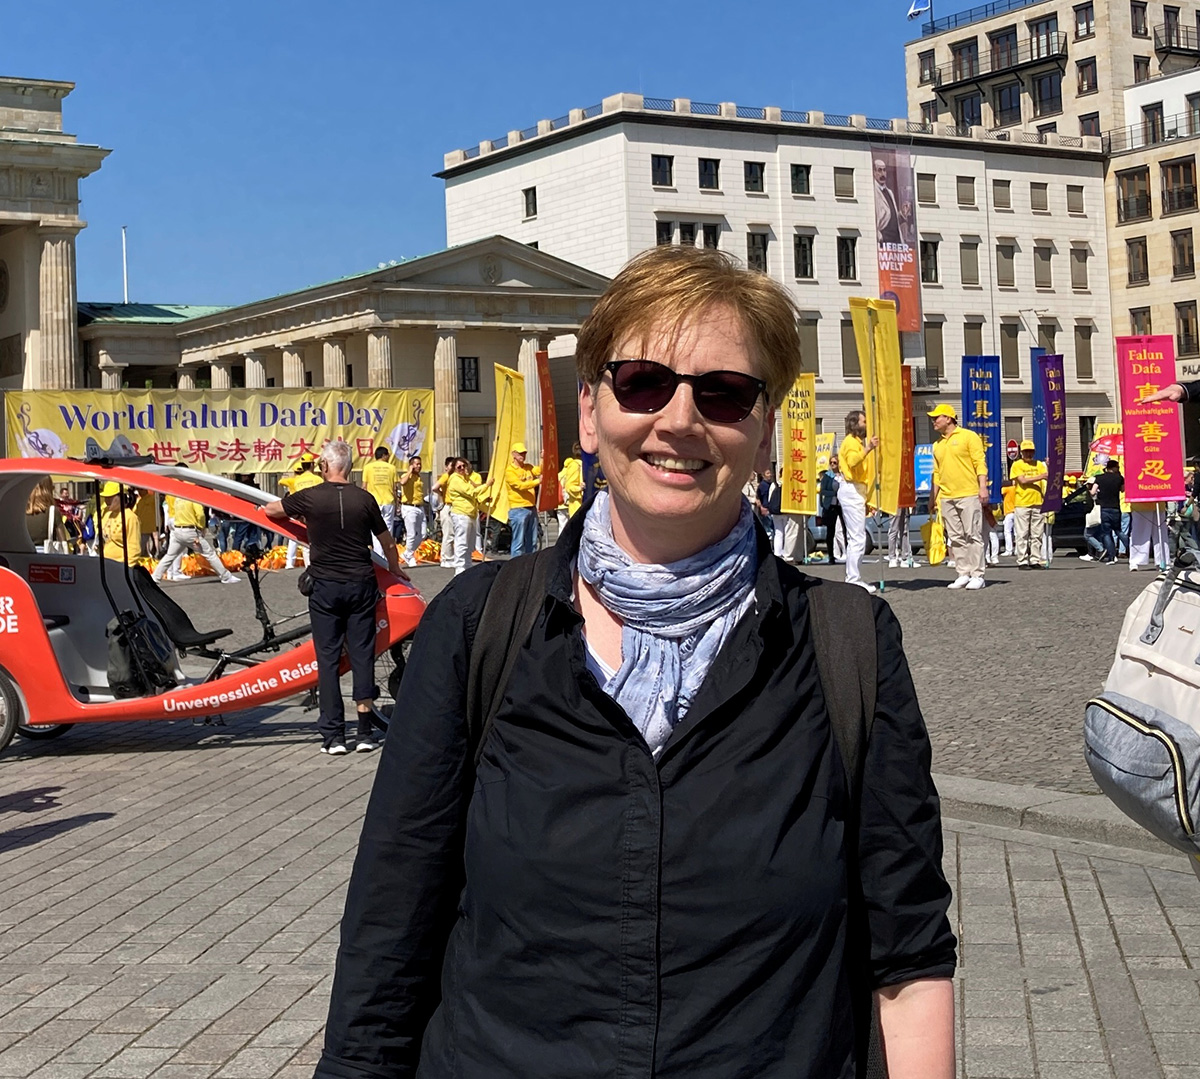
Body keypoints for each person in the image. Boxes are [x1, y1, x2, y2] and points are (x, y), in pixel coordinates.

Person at [317, 244, 956, 1079]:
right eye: (643, 382)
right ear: (589, 411)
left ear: (764, 428)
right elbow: (389, 931)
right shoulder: (479, 626)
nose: (680, 419)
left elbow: (908, 953)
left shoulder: (848, 644)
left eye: (724, 393)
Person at [266, 441, 402, 755]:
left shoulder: (310, 496)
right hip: (360, 585)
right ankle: (365, 732)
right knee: (362, 655)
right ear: (350, 467)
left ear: (325, 466)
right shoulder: (364, 499)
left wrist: (301, 520)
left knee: (327, 659)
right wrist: (395, 569)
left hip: (325, 586)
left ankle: (334, 736)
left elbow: (271, 510)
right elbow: (387, 542)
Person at [928, 403, 988, 590]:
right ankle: (963, 573)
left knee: (973, 534)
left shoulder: (968, 436)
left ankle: (978, 574)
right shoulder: (937, 445)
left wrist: (983, 487)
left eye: (936, 417)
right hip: (946, 497)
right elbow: (936, 473)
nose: (933, 421)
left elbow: (979, 462)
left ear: (948, 418)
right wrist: (932, 497)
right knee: (955, 537)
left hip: (968, 493)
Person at [152, 465, 240, 584]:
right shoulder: (192, 498)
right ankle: (225, 576)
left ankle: (155, 577)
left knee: (170, 556)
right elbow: (200, 515)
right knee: (209, 554)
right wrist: (201, 528)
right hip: (190, 532)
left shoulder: (179, 497)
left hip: (178, 530)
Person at [838, 410, 880, 593]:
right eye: (864, 421)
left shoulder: (855, 442)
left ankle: (853, 576)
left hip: (856, 489)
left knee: (855, 536)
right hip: (852, 488)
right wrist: (868, 448)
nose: (866, 424)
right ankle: (853, 578)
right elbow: (853, 461)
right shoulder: (850, 442)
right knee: (857, 537)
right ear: (855, 424)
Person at [1005, 440, 1048, 569]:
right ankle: (1022, 560)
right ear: (1021, 453)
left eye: (1030, 451)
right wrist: (1041, 476)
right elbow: (1022, 480)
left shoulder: (1039, 464)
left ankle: (1035, 559)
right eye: (1026, 451)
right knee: (1022, 534)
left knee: (1037, 534)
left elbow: (1047, 478)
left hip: (1038, 502)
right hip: (1022, 503)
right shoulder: (1017, 465)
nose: (1028, 454)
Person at [442, 458, 489, 575]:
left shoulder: (465, 479)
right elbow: (471, 492)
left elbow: (474, 494)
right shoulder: (455, 479)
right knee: (462, 542)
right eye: (459, 467)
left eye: (464, 466)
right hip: (461, 513)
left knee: (470, 543)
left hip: (470, 513)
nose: (462, 468)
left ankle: (467, 566)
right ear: (454, 469)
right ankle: (459, 568)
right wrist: (487, 485)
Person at [282, 454, 322, 569]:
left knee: (302, 541)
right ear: (312, 465)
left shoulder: (297, 481)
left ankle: (307, 567)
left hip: (302, 515)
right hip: (317, 515)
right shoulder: (318, 480)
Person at [504, 442, 541, 557]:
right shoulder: (509, 471)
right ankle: (515, 565)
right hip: (518, 508)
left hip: (531, 507)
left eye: (524, 453)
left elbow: (539, 471)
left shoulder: (528, 467)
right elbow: (520, 486)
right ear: (513, 454)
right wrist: (538, 481)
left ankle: (530, 564)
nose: (523, 455)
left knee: (533, 542)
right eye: (520, 453)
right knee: (518, 543)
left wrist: (543, 458)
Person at [1089, 459, 1124, 564]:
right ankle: (1131, 549)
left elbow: (1092, 492)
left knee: (1106, 533)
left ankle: (1112, 556)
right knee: (1118, 531)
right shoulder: (1119, 478)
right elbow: (1123, 490)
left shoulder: (1099, 478)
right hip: (1116, 508)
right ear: (1114, 468)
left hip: (1104, 508)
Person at [99, 482, 141, 566]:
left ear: (120, 497)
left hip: (120, 566)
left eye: (110, 498)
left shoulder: (130, 517)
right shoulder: (108, 514)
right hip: (106, 564)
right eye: (105, 498)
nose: (106, 501)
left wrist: (126, 568)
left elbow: (134, 548)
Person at [362, 447, 399, 540]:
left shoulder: (367, 467)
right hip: (388, 502)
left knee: (374, 529)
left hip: (373, 502)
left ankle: (377, 549)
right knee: (388, 528)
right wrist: (397, 503)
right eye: (388, 455)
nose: (389, 457)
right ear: (384, 455)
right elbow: (395, 488)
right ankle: (386, 548)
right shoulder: (392, 468)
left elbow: (364, 487)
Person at [398, 456, 425, 567]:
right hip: (409, 507)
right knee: (411, 533)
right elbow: (402, 482)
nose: (419, 466)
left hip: (420, 506)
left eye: (420, 464)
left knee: (423, 534)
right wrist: (409, 471)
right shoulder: (406, 475)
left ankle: (408, 553)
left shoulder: (418, 477)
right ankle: (409, 555)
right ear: (411, 465)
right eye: (416, 464)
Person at [757, 464, 788, 559]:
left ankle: (777, 552)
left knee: (778, 532)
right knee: (786, 532)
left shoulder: (774, 484)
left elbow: (769, 498)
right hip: (786, 510)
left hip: (774, 511)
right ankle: (785, 552)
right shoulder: (789, 484)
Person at [817, 453, 842, 564]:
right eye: (831, 462)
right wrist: (835, 493)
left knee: (845, 530)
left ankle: (847, 553)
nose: (832, 464)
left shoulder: (843, 475)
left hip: (842, 506)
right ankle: (831, 556)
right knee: (830, 532)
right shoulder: (827, 476)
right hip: (831, 506)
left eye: (834, 462)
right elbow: (823, 491)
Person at [557, 442, 584, 538]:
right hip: (578, 505)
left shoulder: (585, 464)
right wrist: (580, 489)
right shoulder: (575, 465)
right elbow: (570, 486)